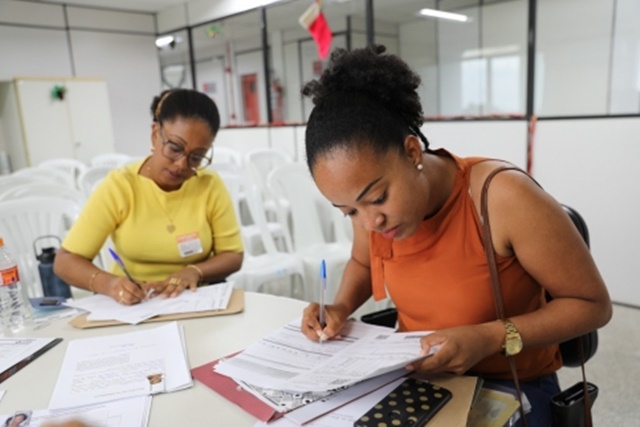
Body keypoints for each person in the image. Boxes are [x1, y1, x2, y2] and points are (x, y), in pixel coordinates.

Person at [299, 45, 612, 426]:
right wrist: (340, 308)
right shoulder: (374, 211)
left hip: (512, 387)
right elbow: (364, 261)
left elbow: (592, 304)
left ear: (412, 150)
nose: (369, 223)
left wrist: (489, 338)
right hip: (420, 381)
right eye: (349, 211)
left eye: (377, 198)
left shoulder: (501, 197)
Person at [54, 89, 243, 305]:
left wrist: (195, 271)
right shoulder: (121, 186)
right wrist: (110, 284)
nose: (181, 164)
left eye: (196, 157)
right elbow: (65, 261)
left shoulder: (209, 185)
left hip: (196, 299)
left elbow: (232, 255)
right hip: (136, 304)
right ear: (155, 134)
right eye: (174, 148)